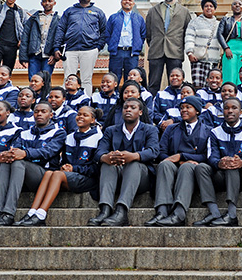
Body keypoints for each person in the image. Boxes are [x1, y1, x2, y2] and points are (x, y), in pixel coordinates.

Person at [15, 106, 105, 226]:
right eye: (79, 114)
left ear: (93, 120)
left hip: (88, 179)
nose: (80, 117)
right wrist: (65, 167)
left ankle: (41, 214)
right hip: (69, 176)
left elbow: (96, 168)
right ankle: (32, 212)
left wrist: (74, 168)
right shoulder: (69, 137)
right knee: (48, 173)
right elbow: (64, 161)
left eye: (85, 115)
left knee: (56, 174)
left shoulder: (98, 137)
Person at [0, 101, 66, 226]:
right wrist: (6, 155)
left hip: (44, 176)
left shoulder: (58, 132)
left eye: (43, 111)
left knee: (18, 162)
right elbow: (15, 149)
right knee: (7, 162)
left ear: (51, 115)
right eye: (36, 112)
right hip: (20, 174)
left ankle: (9, 213)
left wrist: (25, 153)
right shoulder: (24, 132)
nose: (39, 114)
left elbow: (47, 152)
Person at [89, 98, 159, 226]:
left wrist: (134, 156)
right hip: (117, 174)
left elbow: (154, 151)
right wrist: (106, 157)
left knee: (133, 164)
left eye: (133, 108)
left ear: (140, 112)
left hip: (140, 177)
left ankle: (122, 211)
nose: (128, 110)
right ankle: (105, 210)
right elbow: (98, 152)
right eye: (125, 107)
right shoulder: (111, 130)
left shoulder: (150, 129)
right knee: (107, 164)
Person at [147, 96, 211, 226]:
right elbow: (161, 152)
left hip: (194, 167)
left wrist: (183, 157)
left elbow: (207, 155)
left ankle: (179, 213)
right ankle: (162, 211)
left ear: (197, 111)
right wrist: (176, 160)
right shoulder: (172, 129)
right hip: (173, 165)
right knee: (164, 164)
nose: (183, 110)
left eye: (188, 107)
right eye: (181, 108)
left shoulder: (208, 130)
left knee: (186, 167)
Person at [195, 97, 242, 226]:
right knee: (201, 167)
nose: (230, 111)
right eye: (226, 108)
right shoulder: (215, 132)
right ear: (222, 112)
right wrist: (219, 163)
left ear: (241, 112)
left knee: (233, 165)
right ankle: (214, 212)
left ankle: (232, 214)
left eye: (234, 108)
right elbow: (211, 156)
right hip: (221, 175)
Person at [53, 0, 107, 89]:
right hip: (70, 49)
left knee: (86, 79)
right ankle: (66, 102)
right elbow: (60, 29)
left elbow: (104, 30)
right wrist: (56, 47)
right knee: (68, 78)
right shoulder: (69, 11)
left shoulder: (98, 12)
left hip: (90, 49)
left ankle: (85, 102)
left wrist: (98, 47)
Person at [145, 0, 192, 95]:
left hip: (175, 51)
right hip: (156, 50)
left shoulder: (184, 12)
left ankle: (175, 104)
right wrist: (154, 43)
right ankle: (152, 107)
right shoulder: (153, 11)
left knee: (176, 82)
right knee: (153, 83)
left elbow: (187, 31)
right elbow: (148, 33)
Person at [106, 0, 147, 84]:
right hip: (117, 52)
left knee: (131, 78)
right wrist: (112, 45)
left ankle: (129, 97)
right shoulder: (113, 17)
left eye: (130, 0)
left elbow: (143, 35)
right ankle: (114, 97)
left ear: (133, 4)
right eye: (125, 0)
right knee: (114, 77)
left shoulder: (139, 18)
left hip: (132, 53)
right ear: (121, 2)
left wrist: (138, 45)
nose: (127, 2)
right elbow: (107, 34)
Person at [19, 0, 60, 79]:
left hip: (49, 56)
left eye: (50, 1)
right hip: (34, 53)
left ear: (54, 3)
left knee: (45, 80)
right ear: (41, 3)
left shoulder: (59, 19)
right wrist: (23, 57)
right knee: (33, 79)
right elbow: (25, 37)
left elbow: (60, 38)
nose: (47, 3)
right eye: (44, 1)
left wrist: (55, 56)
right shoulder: (33, 18)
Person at [185, 0, 222, 90]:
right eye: (206, 6)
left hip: (213, 61)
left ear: (215, 9)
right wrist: (190, 53)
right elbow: (189, 37)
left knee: (213, 87)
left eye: (211, 6)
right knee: (198, 86)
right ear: (202, 8)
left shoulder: (219, 24)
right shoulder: (194, 22)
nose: (209, 8)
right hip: (198, 60)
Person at [216, 0, 242, 85]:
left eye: (240, 4)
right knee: (230, 72)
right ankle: (229, 92)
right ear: (231, 7)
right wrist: (226, 48)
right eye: (234, 4)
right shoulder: (225, 20)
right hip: (230, 49)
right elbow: (219, 34)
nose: (237, 5)